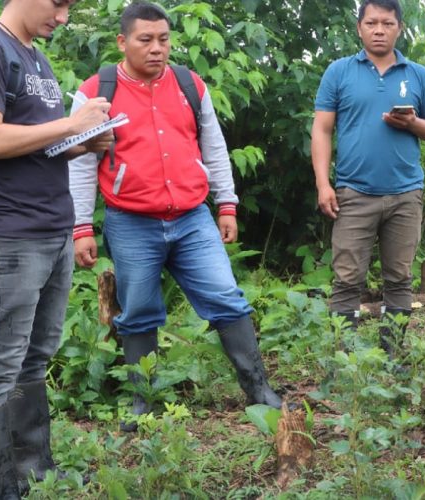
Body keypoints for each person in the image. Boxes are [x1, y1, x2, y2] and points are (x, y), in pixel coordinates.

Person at [68, 2, 284, 432]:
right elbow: (79, 163)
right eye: (145, 40)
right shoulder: (96, 91)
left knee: (225, 296)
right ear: (122, 42)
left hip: (191, 218)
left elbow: (214, 146)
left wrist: (227, 204)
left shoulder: (189, 84)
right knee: (140, 311)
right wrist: (81, 228)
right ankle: (142, 403)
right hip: (131, 221)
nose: (156, 49)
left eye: (163, 39)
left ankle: (258, 389)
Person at [0, 0, 114, 497]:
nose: (63, 17)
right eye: (59, 3)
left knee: (35, 356)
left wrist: (83, 142)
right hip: (10, 235)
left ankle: (35, 468)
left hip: (52, 227)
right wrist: (71, 124)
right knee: (0, 361)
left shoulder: (35, 57)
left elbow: (31, 141)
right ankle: (2, 487)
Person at [310, 0, 425, 360]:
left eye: (387, 23)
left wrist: (414, 124)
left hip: (405, 193)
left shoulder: (419, 75)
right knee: (346, 279)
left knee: (399, 278)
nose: (379, 30)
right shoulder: (338, 72)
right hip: (353, 191)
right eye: (371, 23)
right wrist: (324, 184)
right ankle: (345, 361)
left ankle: (393, 358)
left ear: (399, 28)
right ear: (359, 28)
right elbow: (322, 130)